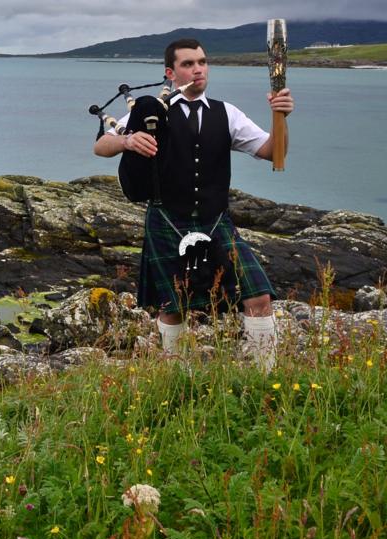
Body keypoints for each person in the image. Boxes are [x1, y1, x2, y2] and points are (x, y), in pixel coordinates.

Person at [93, 38, 295, 372]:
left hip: (216, 222)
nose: (197, 69)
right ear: (170, 73)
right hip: (168, 219)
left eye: (202, 62)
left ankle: (266, 376)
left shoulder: (225, 113)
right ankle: (178, 375)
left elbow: (275, 152)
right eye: (188, 64)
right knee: (174, 306)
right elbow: (101, 145)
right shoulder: (151, 112)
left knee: (258, 297)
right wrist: (127, 140)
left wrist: (281, 117)